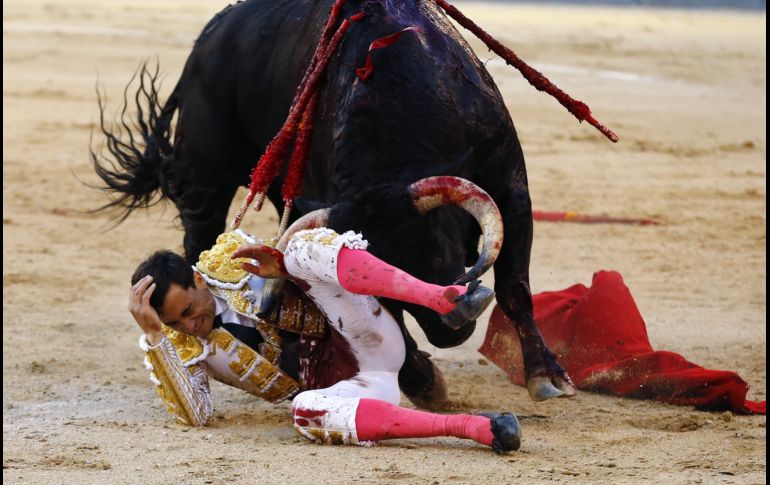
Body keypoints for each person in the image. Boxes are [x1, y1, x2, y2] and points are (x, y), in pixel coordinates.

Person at [129, 227, 521, 452]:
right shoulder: (180, 347)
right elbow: (196, 416)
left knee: (300, 250)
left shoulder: (232, 258)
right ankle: (469, 427)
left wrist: (282, 267)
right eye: (174, 324)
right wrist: (154, 336)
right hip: (356, 387)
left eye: (187, 310)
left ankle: (442, 299)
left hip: (360, 334)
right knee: (304, 412)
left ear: (197, 279)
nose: (189, 326)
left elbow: (312, 273)